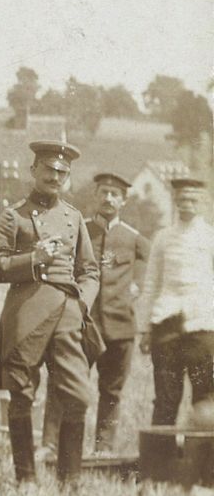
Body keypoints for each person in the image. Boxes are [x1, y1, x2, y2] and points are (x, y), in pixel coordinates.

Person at [0, 141, 100, 486]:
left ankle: (70, 480)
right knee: (21, 394)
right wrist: (33, 259)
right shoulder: (14, 215)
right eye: (49, 169)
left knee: (78, 395)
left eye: (62, 172)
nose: (55, 177)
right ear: (34, 170)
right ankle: (26, 479)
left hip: (67, 314)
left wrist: (81, 303)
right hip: (26, 314)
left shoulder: (73, 216)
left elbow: (89, 271)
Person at [135, 178, 213, 434]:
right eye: (182, 199)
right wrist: (145, 328)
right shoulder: (163, 237)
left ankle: (203, 456)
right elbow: (151, 283)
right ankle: (161, 455)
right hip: (166, 323)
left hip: (203, 325)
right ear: (175, 201)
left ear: (202, 202)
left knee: (205, 397)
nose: (187, 204)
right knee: (166, 397)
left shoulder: (210, 237)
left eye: (192, 199)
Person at [81, 172, 149, 452]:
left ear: (124, 201)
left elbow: (144, 279)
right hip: (84, 327)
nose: (108, 198)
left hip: (120, 329)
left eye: (115, 194)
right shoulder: (81, 231)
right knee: (71, 387)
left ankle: (103, 448)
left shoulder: (135, 240)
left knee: (111, 391)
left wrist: (136, 288)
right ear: (95, 196)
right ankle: (64, 447)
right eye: (104, 192)